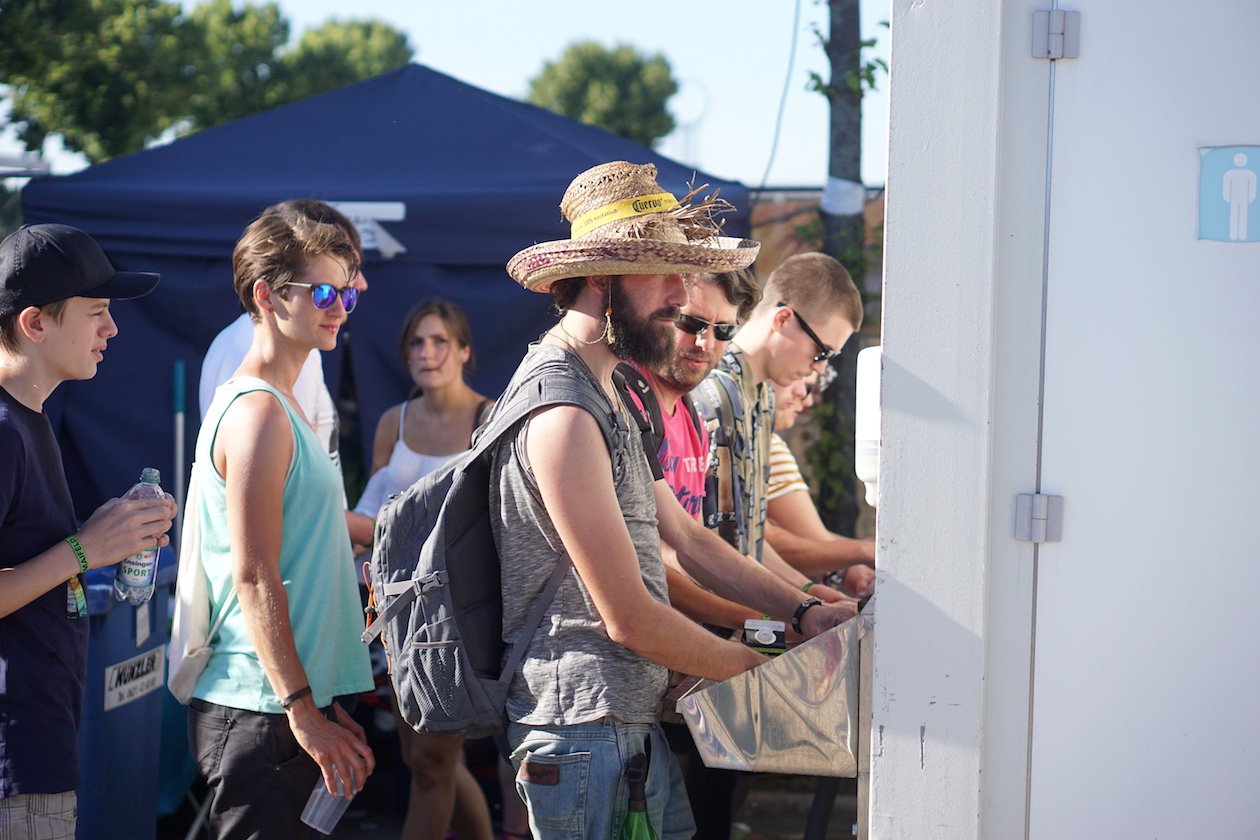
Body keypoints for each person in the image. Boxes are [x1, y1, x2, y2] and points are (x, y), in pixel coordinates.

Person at [498, 161, 858, 839]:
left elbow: (691, 541)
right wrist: (759, 671)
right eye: (664, 271)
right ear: (603, 281)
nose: (682, 292)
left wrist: (804, 610)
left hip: (621, 729)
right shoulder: (563, 410)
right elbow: (629, 616)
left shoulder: (613, 395)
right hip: (581, 737)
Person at [181, 210, 374, 838]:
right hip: (260, 709)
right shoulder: (259, 410)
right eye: (322, 292)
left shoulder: (280, 402)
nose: (340, 307)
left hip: (275, 709)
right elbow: (255, 574)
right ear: (266, 295)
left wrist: (316, 702)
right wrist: (301, 708)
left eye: (345, 292)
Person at [0, 223, 175, 837]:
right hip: (14, 758)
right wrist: (86, 547)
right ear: (34, 323)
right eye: (97, 312)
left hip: (36, 747)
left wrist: (109, 533)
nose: (112, 328)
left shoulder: (29, 420)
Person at [353, 298, 495, 840]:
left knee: (433, 761)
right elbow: (378, 519)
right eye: (416, 342)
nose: (426, 353)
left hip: (456, 618)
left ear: (464, 351)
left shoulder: (490, 417)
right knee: (423, 758)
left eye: (439, 341)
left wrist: (319, 512)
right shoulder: (394, 421)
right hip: (395, 616)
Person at [198, 198, 374, 547]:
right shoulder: (272, 363)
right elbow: (271, 529)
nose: (361, 285)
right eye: (325, 288)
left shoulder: (269, 346)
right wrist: (381, 530)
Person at [694, 252, 865, 597]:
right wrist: (798, 605)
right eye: (821, 353)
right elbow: (703, 542)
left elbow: (747, 538)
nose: (819, 370)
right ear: (784, 319)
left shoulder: (761, 397)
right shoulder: (715, 391)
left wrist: (807, 593)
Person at [767, 373, 877, 596]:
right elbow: (776, 542)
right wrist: (864, 552)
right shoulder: (769, 446)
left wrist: (850, 564)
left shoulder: (766, 442)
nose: (807, 400)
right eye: (806, 385)